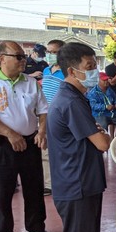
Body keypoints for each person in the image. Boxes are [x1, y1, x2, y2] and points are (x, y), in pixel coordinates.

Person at [47, 42, 112, 232]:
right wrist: (103, 135)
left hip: (82, 181)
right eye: (89, 67)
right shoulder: (71, 101)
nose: (95, 71)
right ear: (72, 71)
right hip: (77, 184)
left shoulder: (75, 98)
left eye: (95, 65)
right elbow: (102, 143)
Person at [0, 41, 49, 232]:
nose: (24, 60)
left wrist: (42, 131)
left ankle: (36, 226)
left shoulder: (30, 82)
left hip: (30, 141)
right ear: (2, 58)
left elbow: (42, 109)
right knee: (2, 190)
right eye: (18, 56)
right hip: (3, 143)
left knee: (34, 186)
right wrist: (10, 134)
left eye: (23, 56)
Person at [41, 39, 66, 195]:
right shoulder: (46, 71)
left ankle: (62, 180)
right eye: (48, 52)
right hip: (44, 116)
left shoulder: (67, 72)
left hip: (60, 116)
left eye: (54, 52)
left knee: (61, 150)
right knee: (45, 150)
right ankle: (48, 184)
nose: (50, 55)